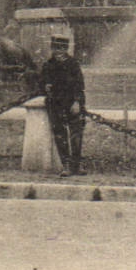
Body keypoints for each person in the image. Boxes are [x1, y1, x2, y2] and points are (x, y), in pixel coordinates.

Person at [40, 35, 86, 176]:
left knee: (76, 135)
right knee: (60, 135)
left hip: (72, 102)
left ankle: (77, 165)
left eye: (62, 48)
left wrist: (77, 102)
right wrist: (45, 86)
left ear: (66, 49)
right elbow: (41, 84)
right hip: (55, 103)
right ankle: (66, 165)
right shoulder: (48, 65)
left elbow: (80, 85)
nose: (59, 51)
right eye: (56, 48)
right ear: (52, 49)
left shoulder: (73, 64)